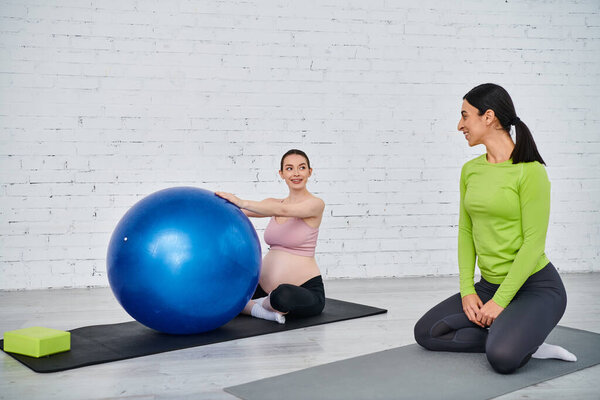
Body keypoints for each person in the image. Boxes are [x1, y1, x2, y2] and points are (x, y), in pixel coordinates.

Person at [414, 83, 576, 374]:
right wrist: (467, 291)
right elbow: (466, 231)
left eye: (465, 116)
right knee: (426, 333)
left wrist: (500, 302)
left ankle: (523, 340)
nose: (460, 125)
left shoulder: (531, 171)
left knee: (501, 358)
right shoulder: (471, 170)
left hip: (535, 287)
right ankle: (517, 335)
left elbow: (533, 244)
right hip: (489, 285)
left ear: (488, 117)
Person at [216, 149, 326, 324]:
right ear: (281, 174)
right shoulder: (273, 203)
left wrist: (242, 201)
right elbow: (240, 212)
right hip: (262, 288)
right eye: (289, 168)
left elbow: (283, 210)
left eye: (302, 167)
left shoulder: (315, 204)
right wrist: (213, 206)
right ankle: (264, 310)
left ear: (310, 172)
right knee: (224, 295)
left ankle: (257, 305)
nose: (296, 173)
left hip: (303, 290)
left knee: (283, 296)